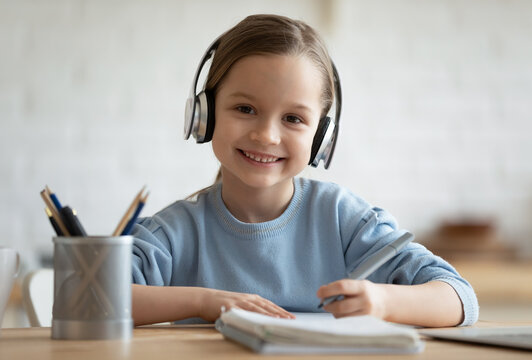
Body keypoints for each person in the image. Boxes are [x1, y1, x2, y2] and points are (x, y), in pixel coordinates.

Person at [130, 14, 479, 327]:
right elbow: (87, 299)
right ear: (204, 115)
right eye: (245, 108)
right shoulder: (172, 233)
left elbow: (459, 298)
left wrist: (382, 301)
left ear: (321, 138)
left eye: (293, 118)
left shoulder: (345, 220)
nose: (266, 135)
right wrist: (205, 301)